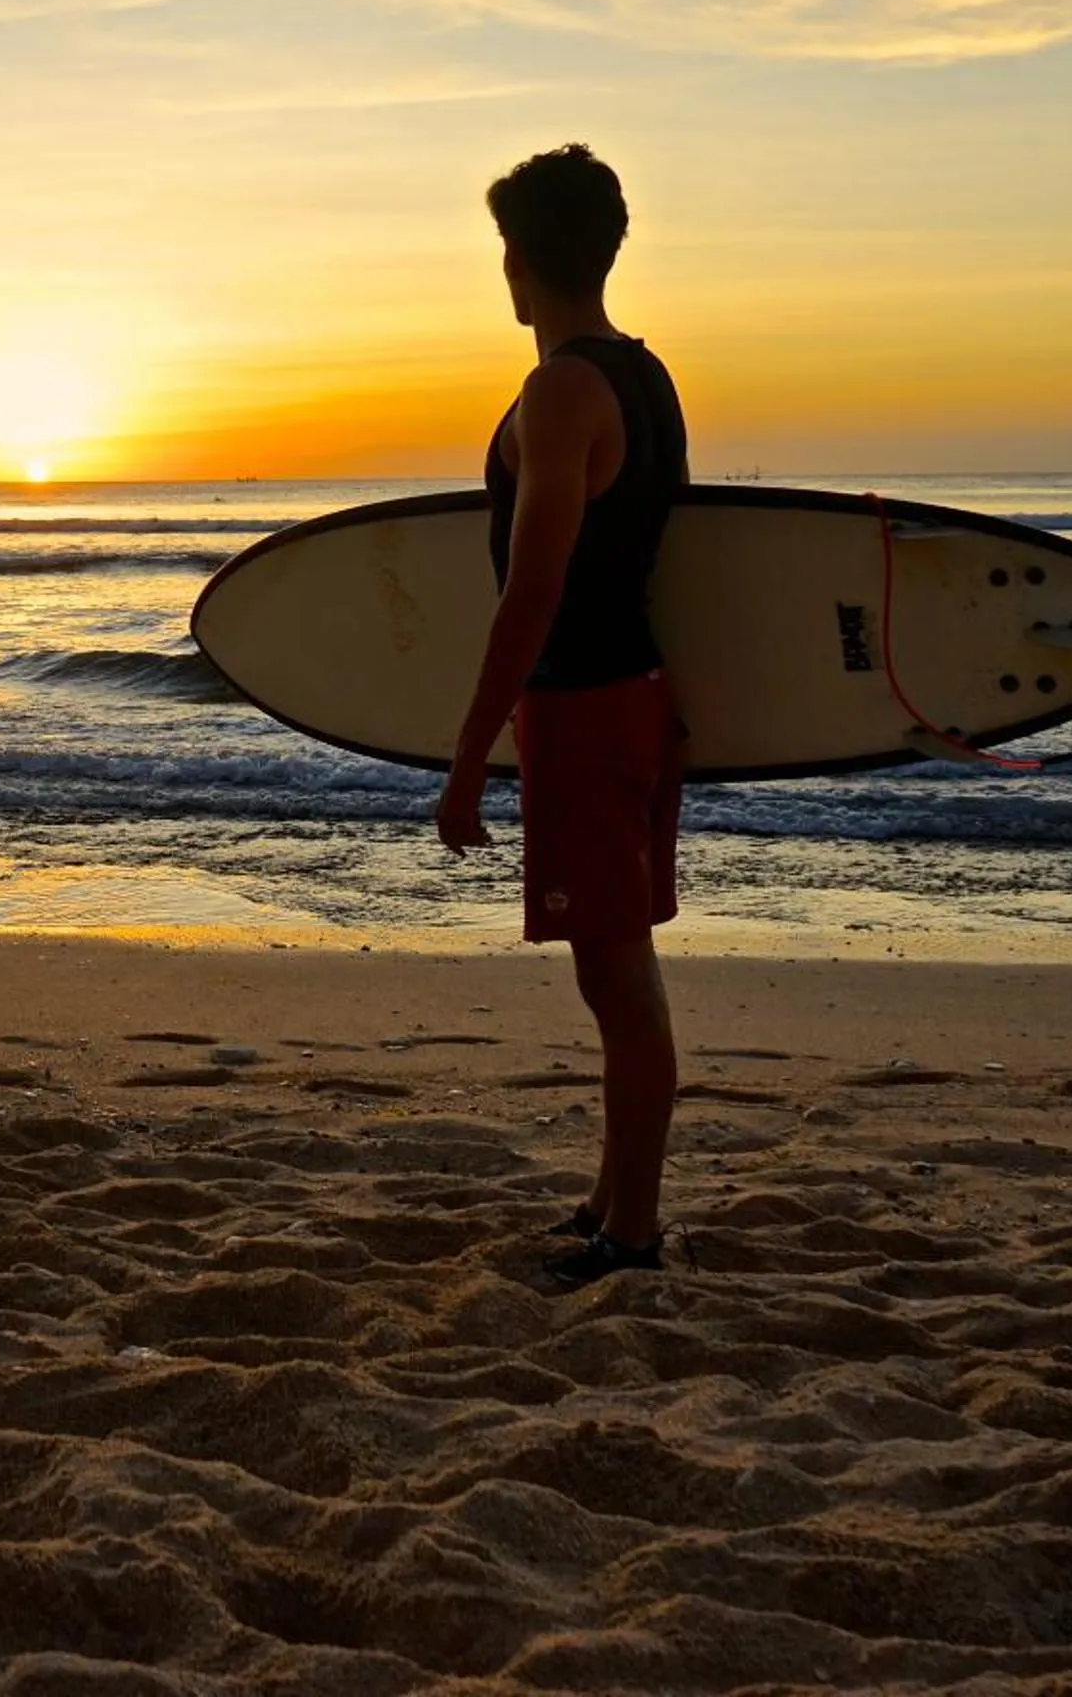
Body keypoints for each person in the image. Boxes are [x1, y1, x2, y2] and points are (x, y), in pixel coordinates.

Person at [436, 144, 690, 1289]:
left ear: (516, 260)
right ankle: (609, 1199)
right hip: (635, 694)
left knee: (617, 979)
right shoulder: (646, 375)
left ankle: (631, 1238)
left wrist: (466, 755)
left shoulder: (561, 393)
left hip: (585, 711)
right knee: (612, 968)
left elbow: (531, 589)